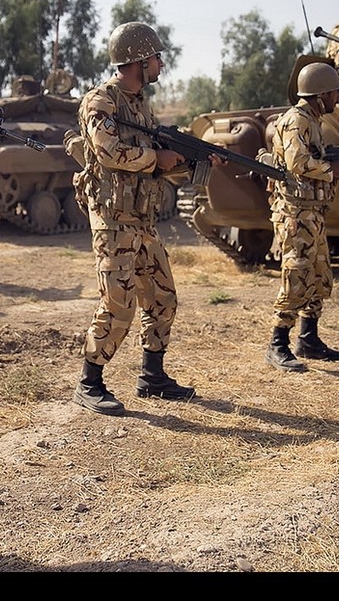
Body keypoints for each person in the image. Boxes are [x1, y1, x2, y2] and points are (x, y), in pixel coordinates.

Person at [66, 21, 218, 416]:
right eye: (156, 57)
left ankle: (152, 377)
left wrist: (190, 158)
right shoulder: (100, 101)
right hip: (113, 222)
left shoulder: (140, 105)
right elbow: (109, 154)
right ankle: (90, 382)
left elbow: (156, 160)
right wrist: (157, 159)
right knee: (118, 303)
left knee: (164, 296)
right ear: (138, 60)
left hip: (141, 220)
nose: (162, 64)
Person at [264, 60, 339, 372]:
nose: (337, 98)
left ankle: (308, 338)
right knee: (296, 276)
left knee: (319, 275)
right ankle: (277, 343)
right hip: (295, 214)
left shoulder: (313, 120)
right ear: (319, 95)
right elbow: (296, 162)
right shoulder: (297, 121)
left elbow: (315, 159)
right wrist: (329, 170)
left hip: (311, 212)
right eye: (334, 92)